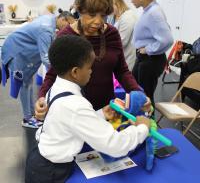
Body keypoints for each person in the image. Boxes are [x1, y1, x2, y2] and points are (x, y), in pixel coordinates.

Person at [25, 35, 150, 183]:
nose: (91, 71)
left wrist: (100, 114)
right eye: (90, 67)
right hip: (50, 171)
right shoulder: (75, 105)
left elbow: (71, 122)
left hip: (39, 158)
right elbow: (114, 145)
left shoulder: (57, 86)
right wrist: (142, 128)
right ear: (75, 72)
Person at [35, 0, 144, 120]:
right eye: (92, 15)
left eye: (103, 15)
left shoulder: (112, 34)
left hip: (107, 110)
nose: (98, 21)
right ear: (79, 9)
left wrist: (137, 92)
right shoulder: (66, 36)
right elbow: (53, 72)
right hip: (75, 113)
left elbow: (121, 70)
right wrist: (42, 97)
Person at [1, 11, 75, 128]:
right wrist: (60, 72)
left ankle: (32, 114)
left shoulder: (51, 20)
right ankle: (27, 118)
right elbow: (45, 57)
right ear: (63, 20)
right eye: (69, 24)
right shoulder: (45, 29)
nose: (69, 28)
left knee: (28, 83)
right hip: (16, 51)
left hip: (20, 49)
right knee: (24, 84)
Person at [130, 0, 174, 105]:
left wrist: (148, 49)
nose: (131, 0)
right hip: (144, 58)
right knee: (138, 93)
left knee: (145, 98)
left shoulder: (154, 12)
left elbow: (167, 39)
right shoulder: (149, 10)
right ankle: (139, 122)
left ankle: (149, 123)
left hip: (150, 60)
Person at [113, 0, 137, 71]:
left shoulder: (128, 17)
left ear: (117, 4)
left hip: (127, 58)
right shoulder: (119, 16)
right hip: (121, 57)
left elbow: (122, 41)